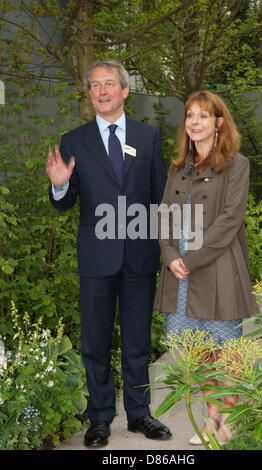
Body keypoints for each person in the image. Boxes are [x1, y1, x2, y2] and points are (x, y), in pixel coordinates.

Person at [46, 59, 171, 447]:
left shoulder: (148, 137)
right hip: (96, 259)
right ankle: (100, 417)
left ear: (124, 91)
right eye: (95, 85)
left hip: (139, 256)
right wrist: (60, 186)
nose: (102, 90)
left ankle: (139, 414)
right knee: (94, 341)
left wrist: (169, 249)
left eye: (109, 84)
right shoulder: (75, 140)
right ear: (91, 93)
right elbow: (64, 206)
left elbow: (159, 198)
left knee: (136, 340)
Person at [154, 90, 259, 445]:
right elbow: (165, 216)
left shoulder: (236, 164)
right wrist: (170, 256)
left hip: (216, 270)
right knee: (194, 349)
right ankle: (212, 419)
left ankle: (226, 425)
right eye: (189, 116)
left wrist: (191, 259)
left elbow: (230, 221)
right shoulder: (178, 167)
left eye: (202, 116)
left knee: (224, 349)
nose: (194, 122)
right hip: (179, 273)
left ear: (218, 123)